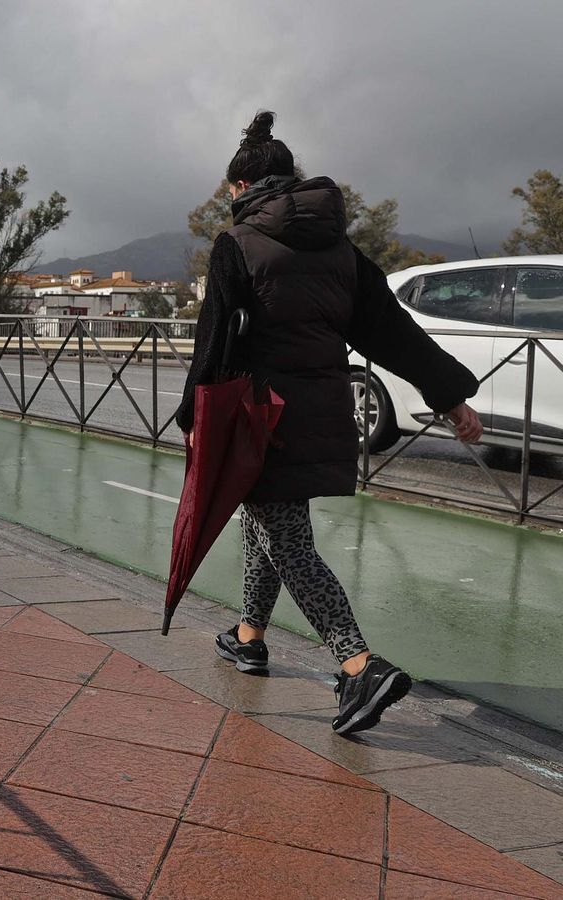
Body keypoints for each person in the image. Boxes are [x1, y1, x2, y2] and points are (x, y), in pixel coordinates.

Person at [177, 110, 483, 736]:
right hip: (324, 413)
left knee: (286, 539)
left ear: (240, 189)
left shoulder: (237, 245)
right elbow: (391, 331)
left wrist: (194, 416)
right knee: (270, 520)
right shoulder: (342, 248)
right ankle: (248, 636)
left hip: (264, 419)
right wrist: (449, 396)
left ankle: (359, 664)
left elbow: (214, 344)